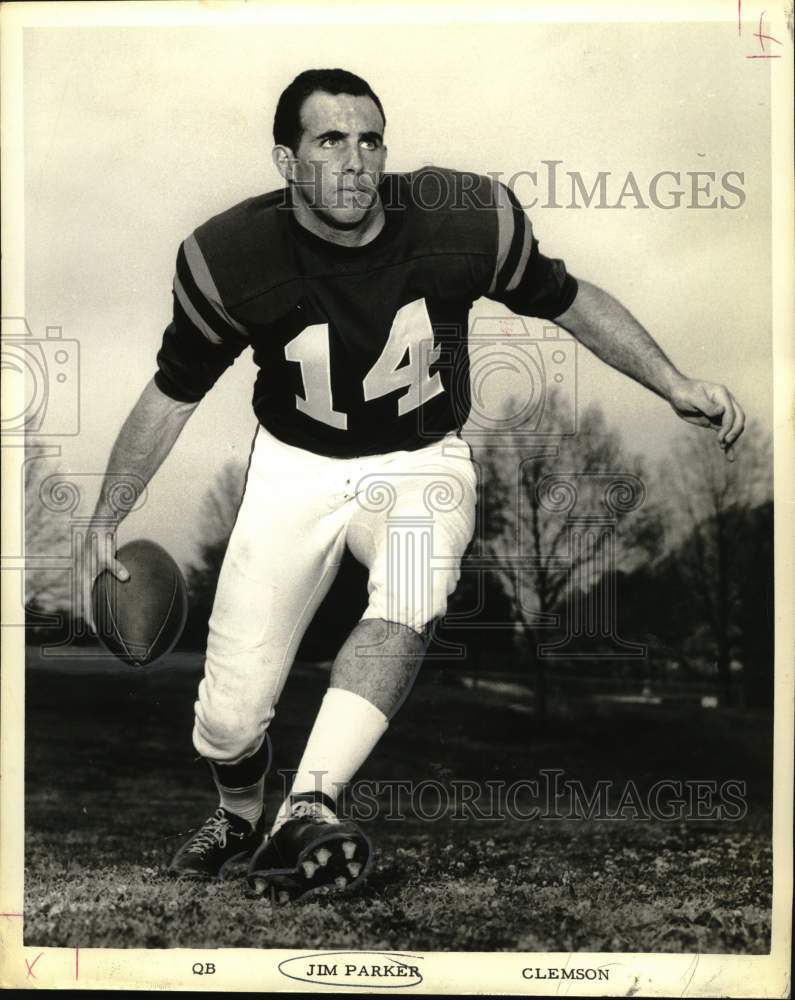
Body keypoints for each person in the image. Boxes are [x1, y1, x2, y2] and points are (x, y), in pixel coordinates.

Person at [81, 68, 745, 903]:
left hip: (420, 457)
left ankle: (308, 805)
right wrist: (107, 514)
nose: (356, 161)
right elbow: (172, 394)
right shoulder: (230, 258)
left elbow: (570, 301)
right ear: (286, 161)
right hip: (298, 465)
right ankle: (243, 811)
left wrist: (674, 381)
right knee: (226, 720)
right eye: (330, 141)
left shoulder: (462, 220)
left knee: (410, 592)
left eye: (370, 139)